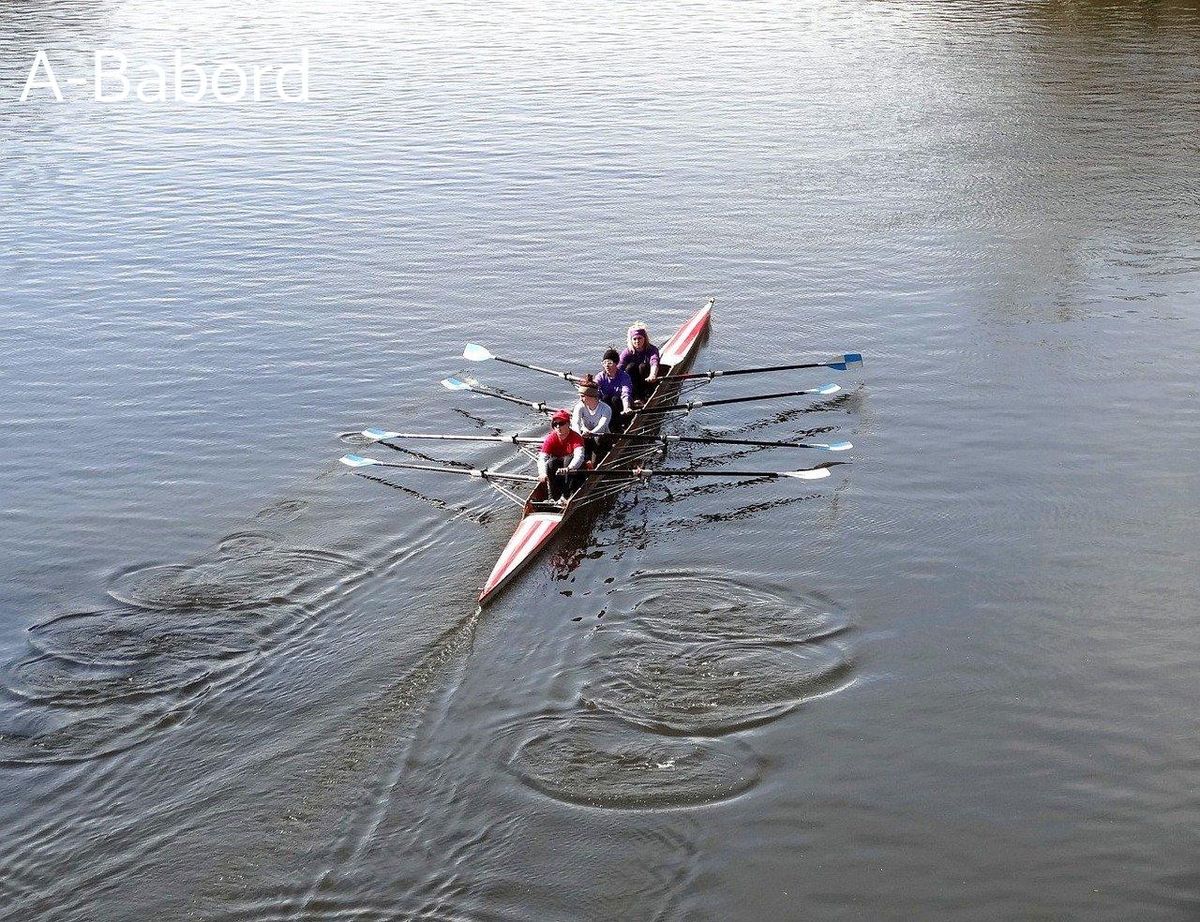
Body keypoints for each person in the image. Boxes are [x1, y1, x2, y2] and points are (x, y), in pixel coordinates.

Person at [537, 409, 586, 503]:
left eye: (561, 423)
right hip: (559, 471)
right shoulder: (551, 438)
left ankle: (567, 495)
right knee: (550, 463)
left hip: (575, 470)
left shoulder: (576, 437)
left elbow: (579, 456)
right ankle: (553, 497)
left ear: (568, 424)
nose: (558, 427)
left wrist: (569, 467)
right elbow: (542, 458)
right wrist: (542, 473)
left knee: (568, 459)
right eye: (555, 424)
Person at [570, 374, 612, 466]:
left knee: (598, 440)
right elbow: (575, 423)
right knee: (576, 440)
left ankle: (594, 465)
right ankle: (582, 462)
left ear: (591, 396)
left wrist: (591, 433)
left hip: (602, 436)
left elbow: (602, 425)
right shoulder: (579, 406)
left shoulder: (606, 409)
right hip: (585, 436)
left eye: (582, 396)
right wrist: (578, 435)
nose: (580, 399)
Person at [619, 323, 660, 403]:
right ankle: (635, 397)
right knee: (631, 366)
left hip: (648, 380)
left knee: (642, 366)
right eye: (634, 339)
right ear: (631, 340)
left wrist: (653, 375)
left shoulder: (652, 349)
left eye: (640, 338)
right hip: (633, 382)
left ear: (644, 338)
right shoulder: (627, 352)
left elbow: (654, 361)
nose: (637, 341)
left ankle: (646, 395)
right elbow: (619, 367)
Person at [596, 347, 634, 428]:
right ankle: (609, 423)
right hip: (607, 408)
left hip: (621, 406)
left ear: (616, 363)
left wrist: (626, 407)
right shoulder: (600, 376)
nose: (606, 365)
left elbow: (625, 392)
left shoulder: (624, 377)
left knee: (615, 399)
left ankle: (623, 422)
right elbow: (595, 387)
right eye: (604, 362)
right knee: (605, 398)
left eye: (609, 363)